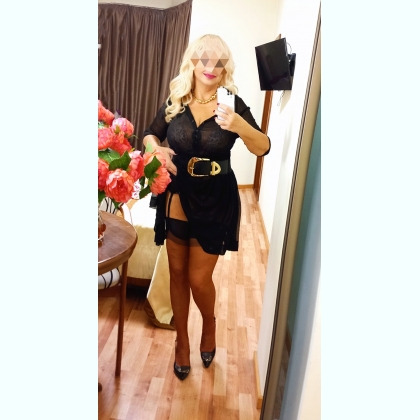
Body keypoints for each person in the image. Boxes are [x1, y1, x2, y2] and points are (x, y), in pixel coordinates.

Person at [143, 34, 270, 380]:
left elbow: (262, 147)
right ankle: (182, 341)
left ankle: (209, 325)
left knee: (199, 279)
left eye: (218, 60)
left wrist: (239, 125)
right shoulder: (177, 99)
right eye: (203, 58)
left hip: (216, 196)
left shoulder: (232, 104)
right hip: (178, 192)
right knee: (177, 273)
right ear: (192, 62)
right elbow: (151, 133)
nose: (210, 66)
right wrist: (155, 149)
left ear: (225, 67)